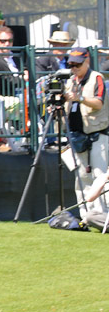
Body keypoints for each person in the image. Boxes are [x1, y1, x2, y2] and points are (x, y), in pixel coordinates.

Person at [60, 47, 109, 222]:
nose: (73, 68)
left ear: (87, 61)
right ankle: (84, 217)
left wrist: (79, 98)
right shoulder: (70, 80)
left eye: (77, 65)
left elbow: (99, 103)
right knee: (81, 177)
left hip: (97, 134)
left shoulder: (97, 78)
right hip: (76, 135)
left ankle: (102, 216)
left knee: (99, 175)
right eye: (70, 64)